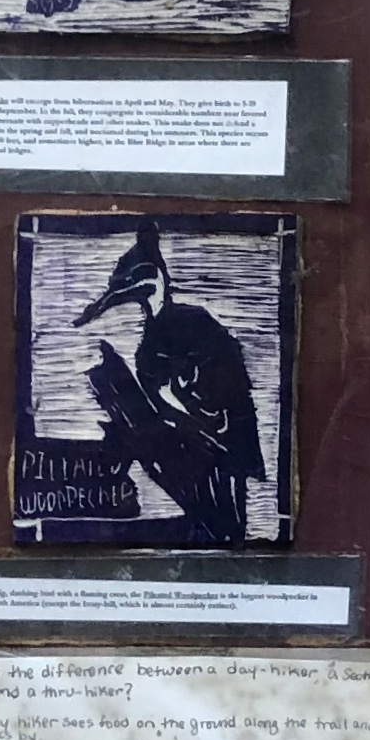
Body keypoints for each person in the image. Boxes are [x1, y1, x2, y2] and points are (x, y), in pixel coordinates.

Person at [75, 220, 265, 544]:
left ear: (155, 281)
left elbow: (212, 405)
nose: (119, 295)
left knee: (225, 523)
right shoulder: (166, 337)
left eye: (131, 283)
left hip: (219, 447)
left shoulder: (173, 337)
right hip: (211, 446)